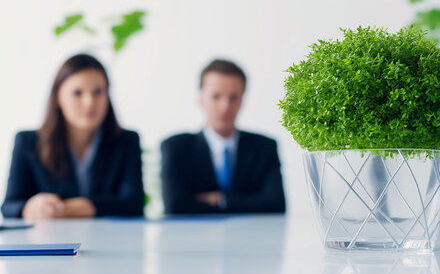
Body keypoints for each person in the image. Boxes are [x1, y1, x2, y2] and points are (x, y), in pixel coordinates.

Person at [1, 54, 144, 219]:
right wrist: (29, 208)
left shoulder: (126, 141)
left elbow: (134, 204)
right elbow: (9, 206)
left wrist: (78, 207)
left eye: (98, 92)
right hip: (48, 240)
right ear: (57, 98)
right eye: (77, 93)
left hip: (108, 240)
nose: (89, 102)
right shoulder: (28, 142)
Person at [161, 59, 285, 214]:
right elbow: (175, 206)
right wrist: (246, 202)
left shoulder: (264, 148)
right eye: (216, 96)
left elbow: (276, 204)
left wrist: (222, 200)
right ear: (201, 99)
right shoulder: (176, 147)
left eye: (234, 97)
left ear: (242, 101)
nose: (225, 106)